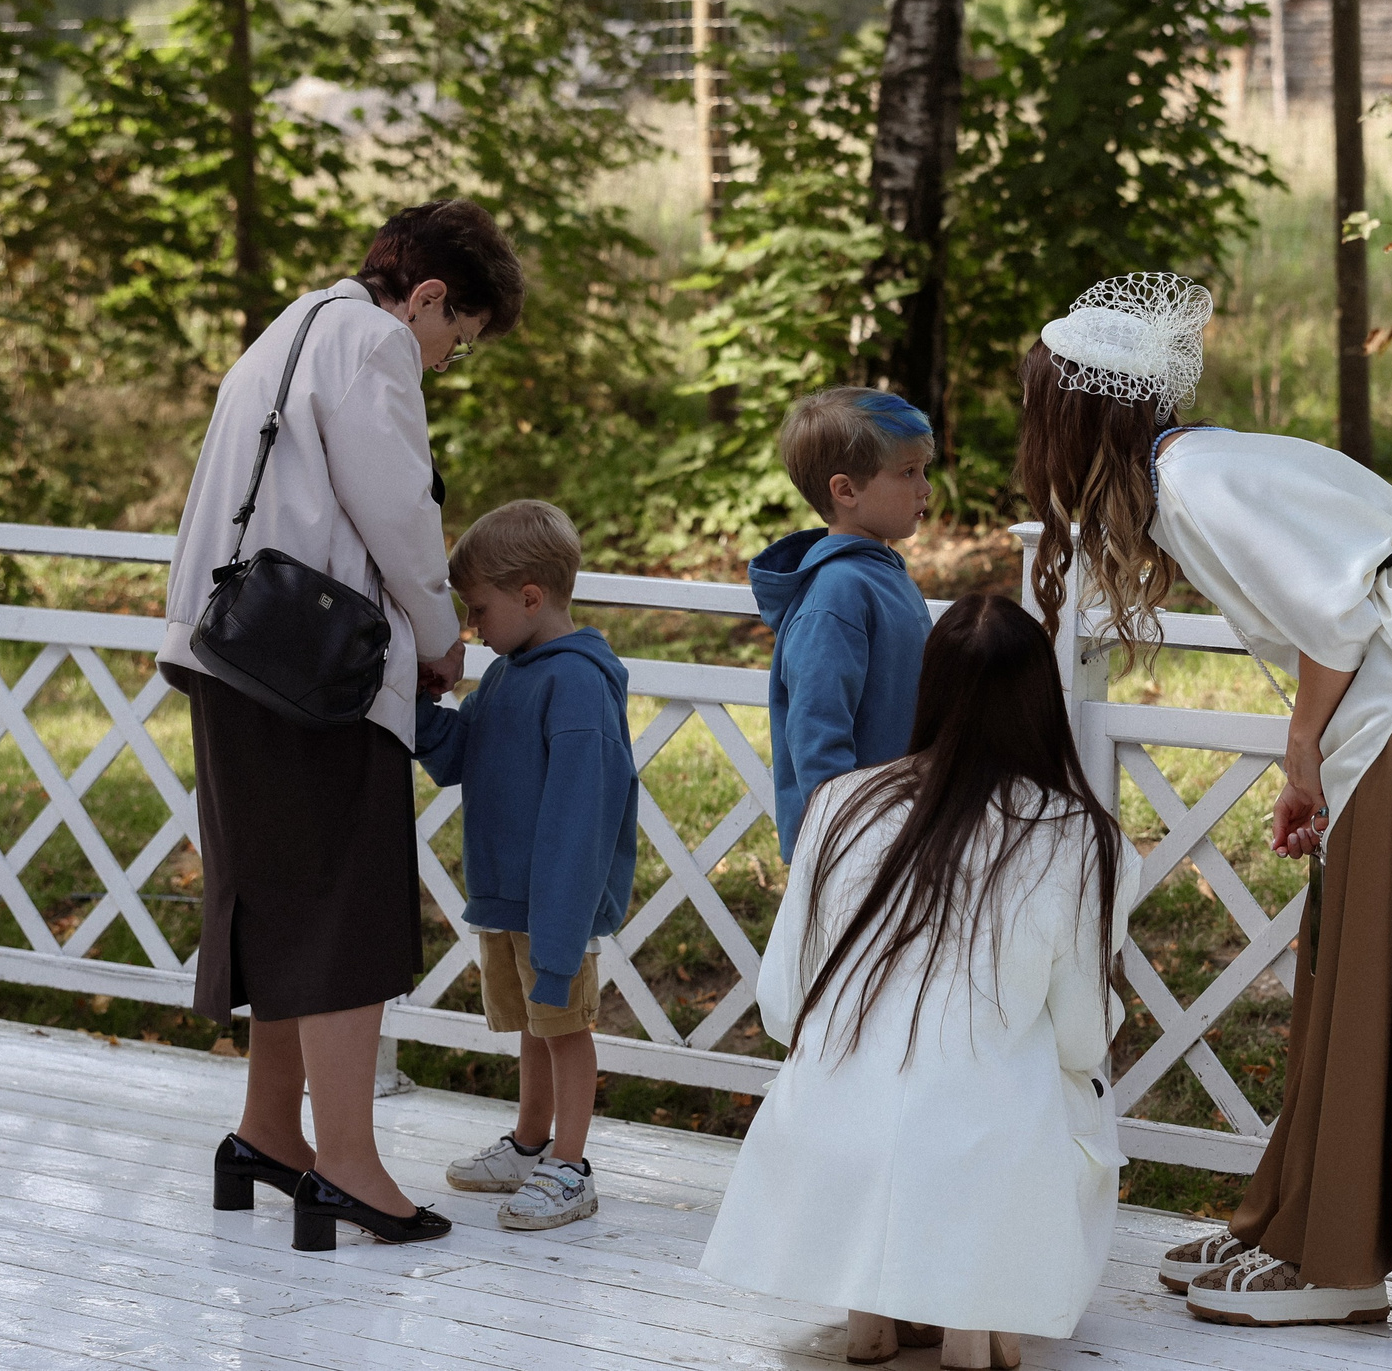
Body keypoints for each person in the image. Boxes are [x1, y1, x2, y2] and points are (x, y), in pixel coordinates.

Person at [1014, 273, 1392, 1328]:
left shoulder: (1196, 483)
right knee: (1351, 960)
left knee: (1370, 965)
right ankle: (1304, 1223)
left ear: (1080, 412)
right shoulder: (1195, 469)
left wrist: (1301, 749)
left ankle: (1342, 1258)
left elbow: (1335, 617)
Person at [159, 199, 522, 1252]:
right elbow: (399, 511)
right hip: (310, 675)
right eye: (457, 338)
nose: (448, 362)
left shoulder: (294, 325)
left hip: (232, 652)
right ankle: (347, 1168)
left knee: (279, 899)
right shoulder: (372, 346)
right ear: (427, 297)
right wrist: (437, 634)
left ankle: (270, 1136)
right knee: (346, 913)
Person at [700, 594, 1139, 1371]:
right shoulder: (1078, 836)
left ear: (928, 687)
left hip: (827, 1145)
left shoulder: (839, 803)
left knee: (891, 1079)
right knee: (1045, 1080)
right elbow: (1081, 1036)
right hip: (980, 1165)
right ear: (1042, 701)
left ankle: (870, 1320)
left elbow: (781, 1002)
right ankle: (977, 1322)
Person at [418, 500, 639, 1233]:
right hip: (506, 897)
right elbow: (456, 759)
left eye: (478, 609)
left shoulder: (576, 683)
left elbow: (581, 815)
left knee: (565, 1025)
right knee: (535, 1028)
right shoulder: (509, 675)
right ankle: (528, 1141)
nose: (473, 626)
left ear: (530, 597)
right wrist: (421, 701)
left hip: (557, 902)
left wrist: (560, 926)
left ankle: (570, 1166)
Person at [749, 388, 935, 863]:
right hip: (851, 848)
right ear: (846, 490)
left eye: (924, 470)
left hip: (903, 830)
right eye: (908, 472)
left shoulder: (882, 572)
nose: (926, 488)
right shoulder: (838, 592)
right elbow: (818, 733)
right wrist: (844, 844)